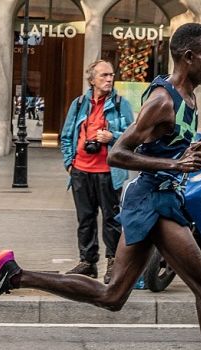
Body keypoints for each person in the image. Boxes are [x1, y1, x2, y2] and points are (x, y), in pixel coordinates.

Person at [0, 23, 201, 349]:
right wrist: (175, 164)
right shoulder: (162, 101)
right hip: (153, 201)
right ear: (190, 56)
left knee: (112, 296)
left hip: (158, 199)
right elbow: (119, 154)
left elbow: (159, 146)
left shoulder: (188, 97)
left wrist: (191, 152)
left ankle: (13, 274)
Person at [59, 59, 134, 283]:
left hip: (110, 172)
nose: (109, 79)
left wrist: (113, 137)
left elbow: (133, 137)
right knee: (85, 219)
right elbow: (66, 135)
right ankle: (87, 262)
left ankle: (113, 263)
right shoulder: (80, 103)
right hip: (81, 171)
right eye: (104, 75)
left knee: (112, 219)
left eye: (111, 75)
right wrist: (69, 163)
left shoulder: (121, 104)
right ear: (92, 80)